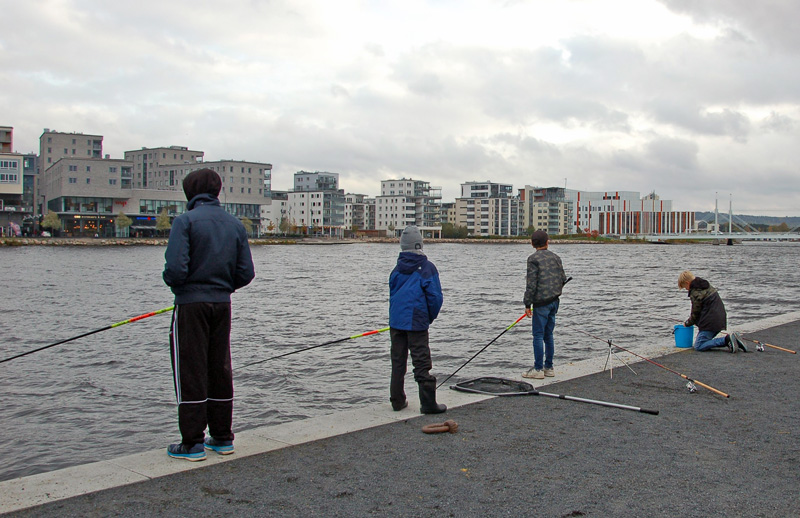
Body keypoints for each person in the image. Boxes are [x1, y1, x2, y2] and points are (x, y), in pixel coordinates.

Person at [163, 168, 255, 461]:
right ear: (216, 190)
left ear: (190, 192)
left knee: (190, 368)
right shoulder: (235, 225)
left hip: (191, 304)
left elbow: (176, 270)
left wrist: (181, 287)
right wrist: (223, 287)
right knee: (220, 366)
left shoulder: (184, 222)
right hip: (222, 303)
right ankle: (222, 436)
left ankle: (192, 442)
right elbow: (246, 273)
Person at [389, 225, 446, 414]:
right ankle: (428, 403)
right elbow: (435, 297)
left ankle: (397, 401)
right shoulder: (427, 268)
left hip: (396, 322)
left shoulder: (396, 269)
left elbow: (393, 294)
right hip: (416, 321)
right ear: (420, 244)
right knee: (421, 362)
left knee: (398, 361)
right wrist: (429, 317)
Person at [522, 230, 567, 380]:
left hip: (541, 304)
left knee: (538, 335)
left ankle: (538, 369)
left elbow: (531, 285)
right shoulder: (556, 257)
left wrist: (527, 304)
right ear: (547, 242)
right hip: (554, 302)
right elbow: (563, 278)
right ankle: (549, 367)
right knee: (549, 335)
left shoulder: (532, 259)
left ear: (532, 243)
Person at [678, 270, 747, 353]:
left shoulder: (696, 292)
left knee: (699, 346)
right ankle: (735, 340)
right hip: (720, 318)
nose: (686, 290)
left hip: (711, 322)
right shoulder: (705, 285)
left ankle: (726, 340)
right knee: (704, 340)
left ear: (687, 283)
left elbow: (695, 313)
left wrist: (687, 323)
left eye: (685, 287)